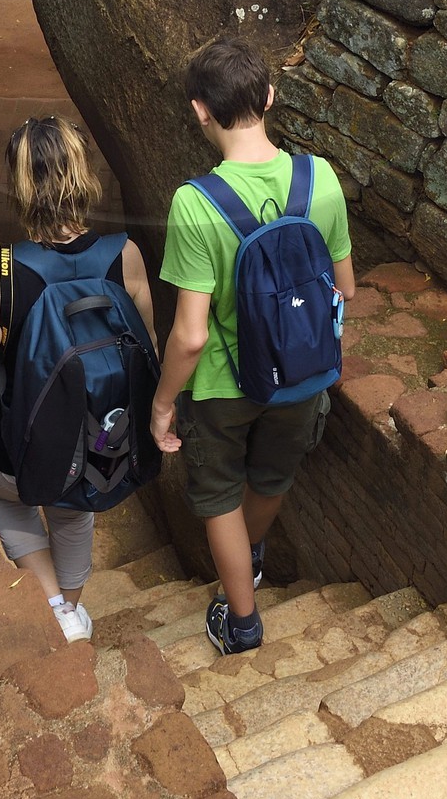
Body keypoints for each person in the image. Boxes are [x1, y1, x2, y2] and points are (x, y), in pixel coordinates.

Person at [151, 36, 354, 655]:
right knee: (271, 477)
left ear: (200, 111)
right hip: (302, 373)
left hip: (223, 386)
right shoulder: (320, 178)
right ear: (269, 96)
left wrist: (162, 403)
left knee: (219, 498)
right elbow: (344, 288)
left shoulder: (195, 203)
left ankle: (242, 624)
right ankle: (254, 554)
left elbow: (190, 335)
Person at [0, 115, 157, 645]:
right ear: (83, 174)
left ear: (20, 186)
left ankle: (54, 607)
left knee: (5, 496)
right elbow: (149, 351)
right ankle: (70, 607)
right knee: (72, 515)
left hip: (16, 449)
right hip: (95, 444)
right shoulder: (125, 255)